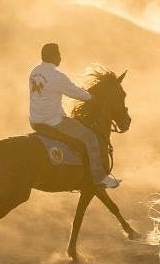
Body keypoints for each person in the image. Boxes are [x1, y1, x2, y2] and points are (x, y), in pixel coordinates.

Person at [29, 43, 121, 188]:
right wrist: (91, 98)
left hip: (35, 121)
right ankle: (99, 177)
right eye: (59, 54)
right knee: (90, 137)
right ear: (53, 56)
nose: (60, 57)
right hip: (54, 121)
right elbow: (74, 92)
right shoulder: (56, 76)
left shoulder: (34, 71)